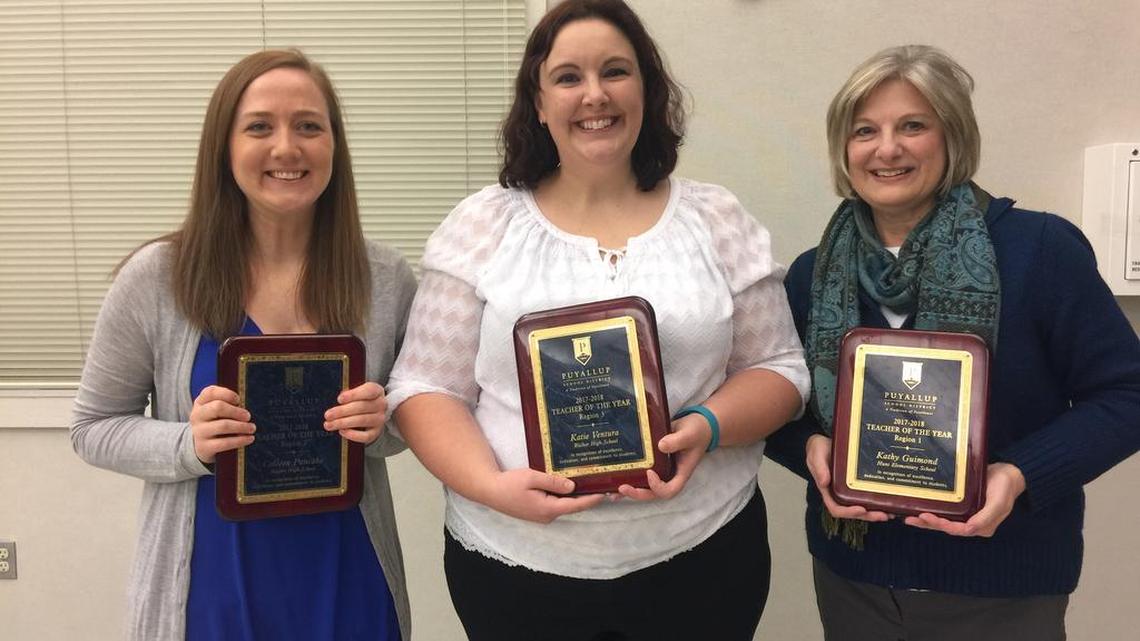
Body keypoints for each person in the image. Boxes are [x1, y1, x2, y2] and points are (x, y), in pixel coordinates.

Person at [385, 1, 808, 639]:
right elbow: (424, 387)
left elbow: (780, 369)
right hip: (518, 568)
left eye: (616, 71)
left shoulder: (716, 219)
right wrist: (492, 485)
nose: (594, 95)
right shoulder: (481, 224)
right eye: (568, 77)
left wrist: (707, 426)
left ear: (647, 87)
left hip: (703, 560)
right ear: (538, 101)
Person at [765, 44, 1140, 641]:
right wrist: (808, 449)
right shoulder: (814, 273)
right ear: (844, 148)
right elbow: (781, 401)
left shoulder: (1041, 251)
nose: (887, 148)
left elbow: (1126, 394)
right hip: (854, 580)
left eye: (913, 125)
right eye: (866, 130)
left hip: (1003, 583)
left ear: (953, 136)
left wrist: (1018, 475)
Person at [70, 49, 416, 641]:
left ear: (334, 144)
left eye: (309, 125)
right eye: (260, 126)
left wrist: (383, 423)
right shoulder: (157, 277)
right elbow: (93, 428)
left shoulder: (386, 279)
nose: (287, 147)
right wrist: (189, 443)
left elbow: (414, 419)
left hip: (348, 580)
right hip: (209, 592)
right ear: (224, 148)